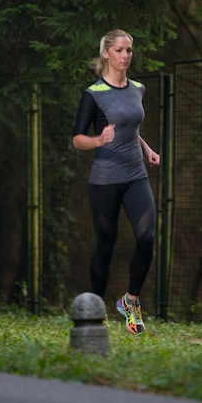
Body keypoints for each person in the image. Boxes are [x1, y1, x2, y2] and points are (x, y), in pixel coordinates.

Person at [72, 29, 160, 333]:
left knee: (147, 237)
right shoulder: (94, 94)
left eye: (129, 51)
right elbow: (77, 139)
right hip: (105, 180)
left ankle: (130, 301)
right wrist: (99, 140)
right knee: (106, 245)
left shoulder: (138, 88)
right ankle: (96, 307)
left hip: (136, 174)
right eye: (120, 51)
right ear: (106, 54)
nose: (125, 56)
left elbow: (130, 128)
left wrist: (147, 148)